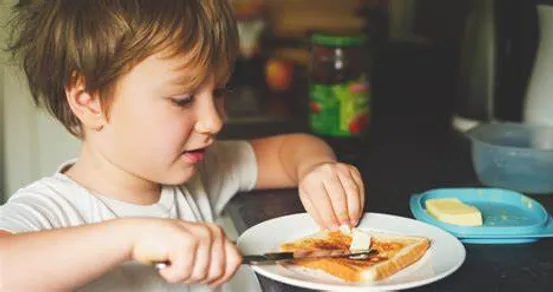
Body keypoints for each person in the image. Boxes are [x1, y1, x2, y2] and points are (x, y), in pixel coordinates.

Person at [0, 0, 365, 291]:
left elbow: (293, 149)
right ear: (89, 100)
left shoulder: (202, 170)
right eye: (183, 99)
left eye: (219, 91)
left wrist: (317, 169)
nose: (214, 121)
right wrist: (134, 236)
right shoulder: (54, 210)